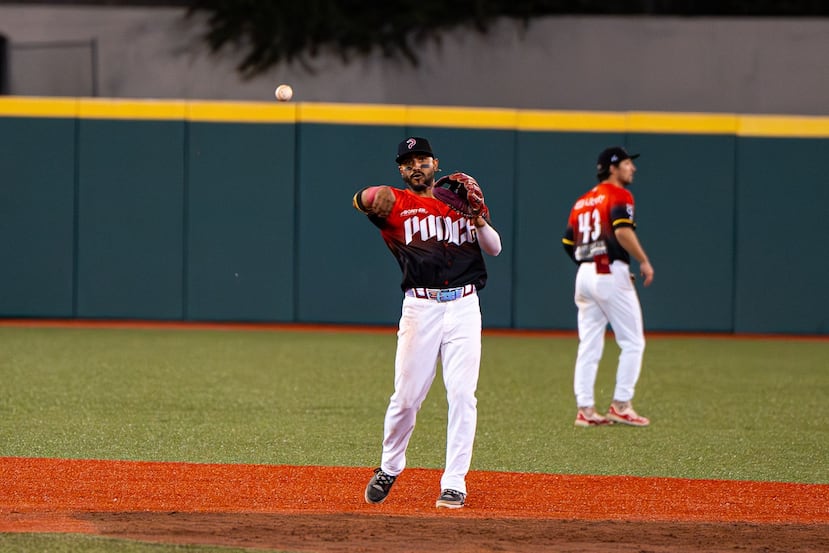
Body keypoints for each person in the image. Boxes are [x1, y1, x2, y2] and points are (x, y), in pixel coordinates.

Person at [352, 136, 502, 509]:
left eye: (422, 159)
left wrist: (479, 214)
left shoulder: (459, 202)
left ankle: (454, 481)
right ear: (401, 171)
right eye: (408, 162)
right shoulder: (396, 203)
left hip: (465, 306)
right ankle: (390, 465)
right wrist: (370, 198)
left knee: (463, 396)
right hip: (421, 308)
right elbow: (362, 199)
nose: (415, 166)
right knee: (406, 398)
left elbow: (494, 247)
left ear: (436, 163)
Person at [561, 146, 654, 428]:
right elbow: (622, 230)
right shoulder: (619, 195)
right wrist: (643, 261)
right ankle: (621, 405)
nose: (632, 168)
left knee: (589, 344)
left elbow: (568, 242)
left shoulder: (582, 202)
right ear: (613, 167)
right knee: (633, 342)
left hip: (585, 274)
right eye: (627, 163)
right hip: (608, 270)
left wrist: (592, 267)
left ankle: (585, 409)